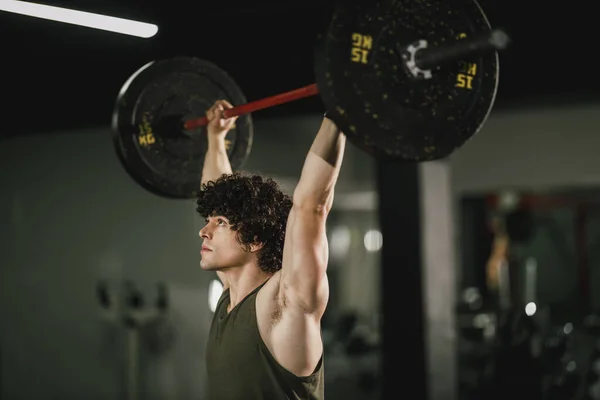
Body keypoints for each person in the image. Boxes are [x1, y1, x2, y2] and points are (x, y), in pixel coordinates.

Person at [196, 99, 346, 400]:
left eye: (221, 223)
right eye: (209, 221)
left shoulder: (284, 304)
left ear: (254, 239)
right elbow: (215, 190)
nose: (204, 230)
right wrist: (216, 139)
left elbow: (310, 206)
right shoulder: (232, 296)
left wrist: (341, 111)